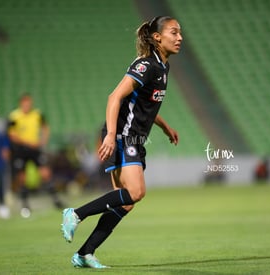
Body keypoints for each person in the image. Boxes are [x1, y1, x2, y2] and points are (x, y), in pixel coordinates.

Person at [61, 16, 182, 268]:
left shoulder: (163, 66)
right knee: (136, 192)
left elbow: (146, 105)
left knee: (125, 202)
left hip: (133, 137)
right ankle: (75, 214)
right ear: (158, 37)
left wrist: (165, 127)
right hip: (123, 135)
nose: (180, 37)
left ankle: (84, 254)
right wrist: (109, 135)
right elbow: (114, 97)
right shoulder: (146, 65)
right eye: (174, 32)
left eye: (179, 33)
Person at [7, 94, 64, 217]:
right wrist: (28, 142)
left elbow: (45, 127)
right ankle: (25, 204)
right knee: (22, 177)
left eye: (29, 103)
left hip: (35, 150)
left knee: (45, 173)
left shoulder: (37, 114)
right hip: (21, 150)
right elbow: (12, 135)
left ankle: (55, 200)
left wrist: (43, 140)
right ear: (21, 104)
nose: (28, 106)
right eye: (25, 103)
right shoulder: (14, 116)